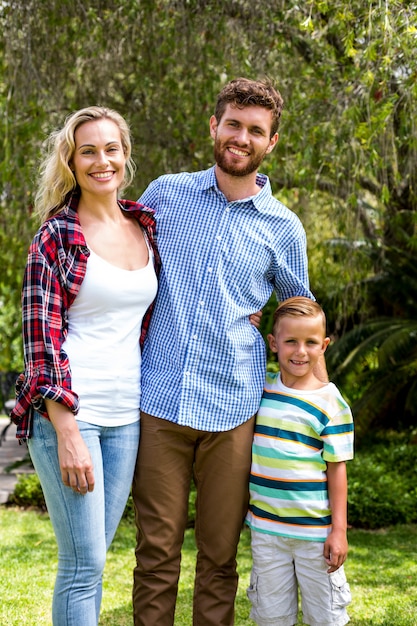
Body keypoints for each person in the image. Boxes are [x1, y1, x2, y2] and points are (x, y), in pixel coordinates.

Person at [132, 77, 322, 626]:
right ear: (214, 127)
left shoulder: (284, 228)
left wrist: (318, 406)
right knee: (156, 554)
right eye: (233, 124)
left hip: (235, 412)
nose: (242, 137)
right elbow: (121, 263)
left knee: (219, 558)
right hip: (160, 402)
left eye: (255, 130)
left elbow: (301, 319)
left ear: (271, 143)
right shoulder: (166, 194)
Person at [10, 106, 160, 626]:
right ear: (71, 162)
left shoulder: (146, 227)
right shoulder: (54, 237)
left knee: (92, 563)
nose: (102, 161)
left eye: (111, 149)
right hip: (70, 417)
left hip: (127, 416)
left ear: (125, 155)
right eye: (88, 151)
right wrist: (66, 427)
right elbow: (40, 338)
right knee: (83, 563)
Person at [246, 297, 353, 626]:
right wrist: (244, 327)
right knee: (271, 617)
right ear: (273, 343)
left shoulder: (331, 403)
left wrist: (339, 530)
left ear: (324, 346)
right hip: (266, 532)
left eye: (310, 343)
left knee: (325, 618)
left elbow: (337, 470)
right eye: (291, 341)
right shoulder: (258, 391)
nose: (300, 351)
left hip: (316, 536)